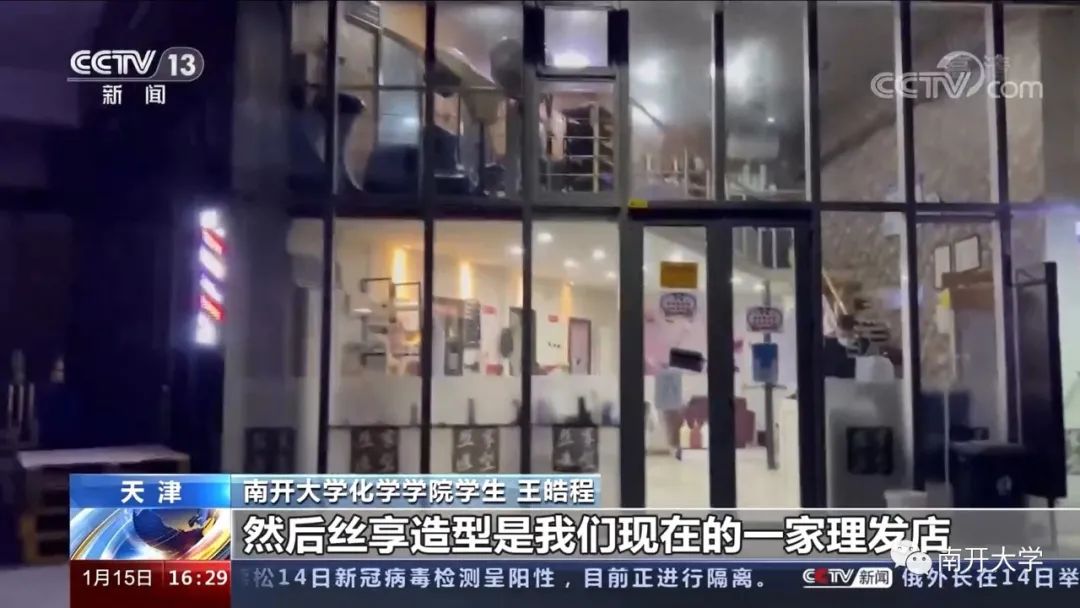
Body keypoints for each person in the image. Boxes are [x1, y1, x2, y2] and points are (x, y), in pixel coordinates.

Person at [653, 363, 686, 460]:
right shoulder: (675, 373)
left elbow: (660, 390)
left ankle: (676, 447)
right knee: (673, 428)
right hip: (674, 405)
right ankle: (677, 447)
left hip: (669, 405)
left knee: (671, 428)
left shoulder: (661, 374)